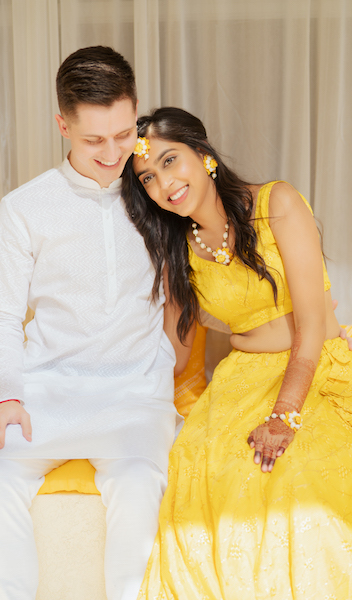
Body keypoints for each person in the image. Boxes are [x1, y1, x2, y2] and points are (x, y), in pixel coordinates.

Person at [0, 49, 188, 600]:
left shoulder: (160, 193)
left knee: (137, 485)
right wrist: (5, 395)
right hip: (45, 390)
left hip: (136, 392)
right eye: (93, 140)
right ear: (63, 125)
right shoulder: (24, 207)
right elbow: (0, 312)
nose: (112, 154)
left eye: (123, 134)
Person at [122, 107, 352, 599]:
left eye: (170, 160)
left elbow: (311, 324)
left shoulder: (278, 203)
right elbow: (173, 355)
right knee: (208, 487)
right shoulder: (179, 250)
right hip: (239, 382)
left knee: (306, 485)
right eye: (147, 177)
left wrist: (284, 415)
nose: (163, 182)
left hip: (315, 369)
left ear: (203, 156)